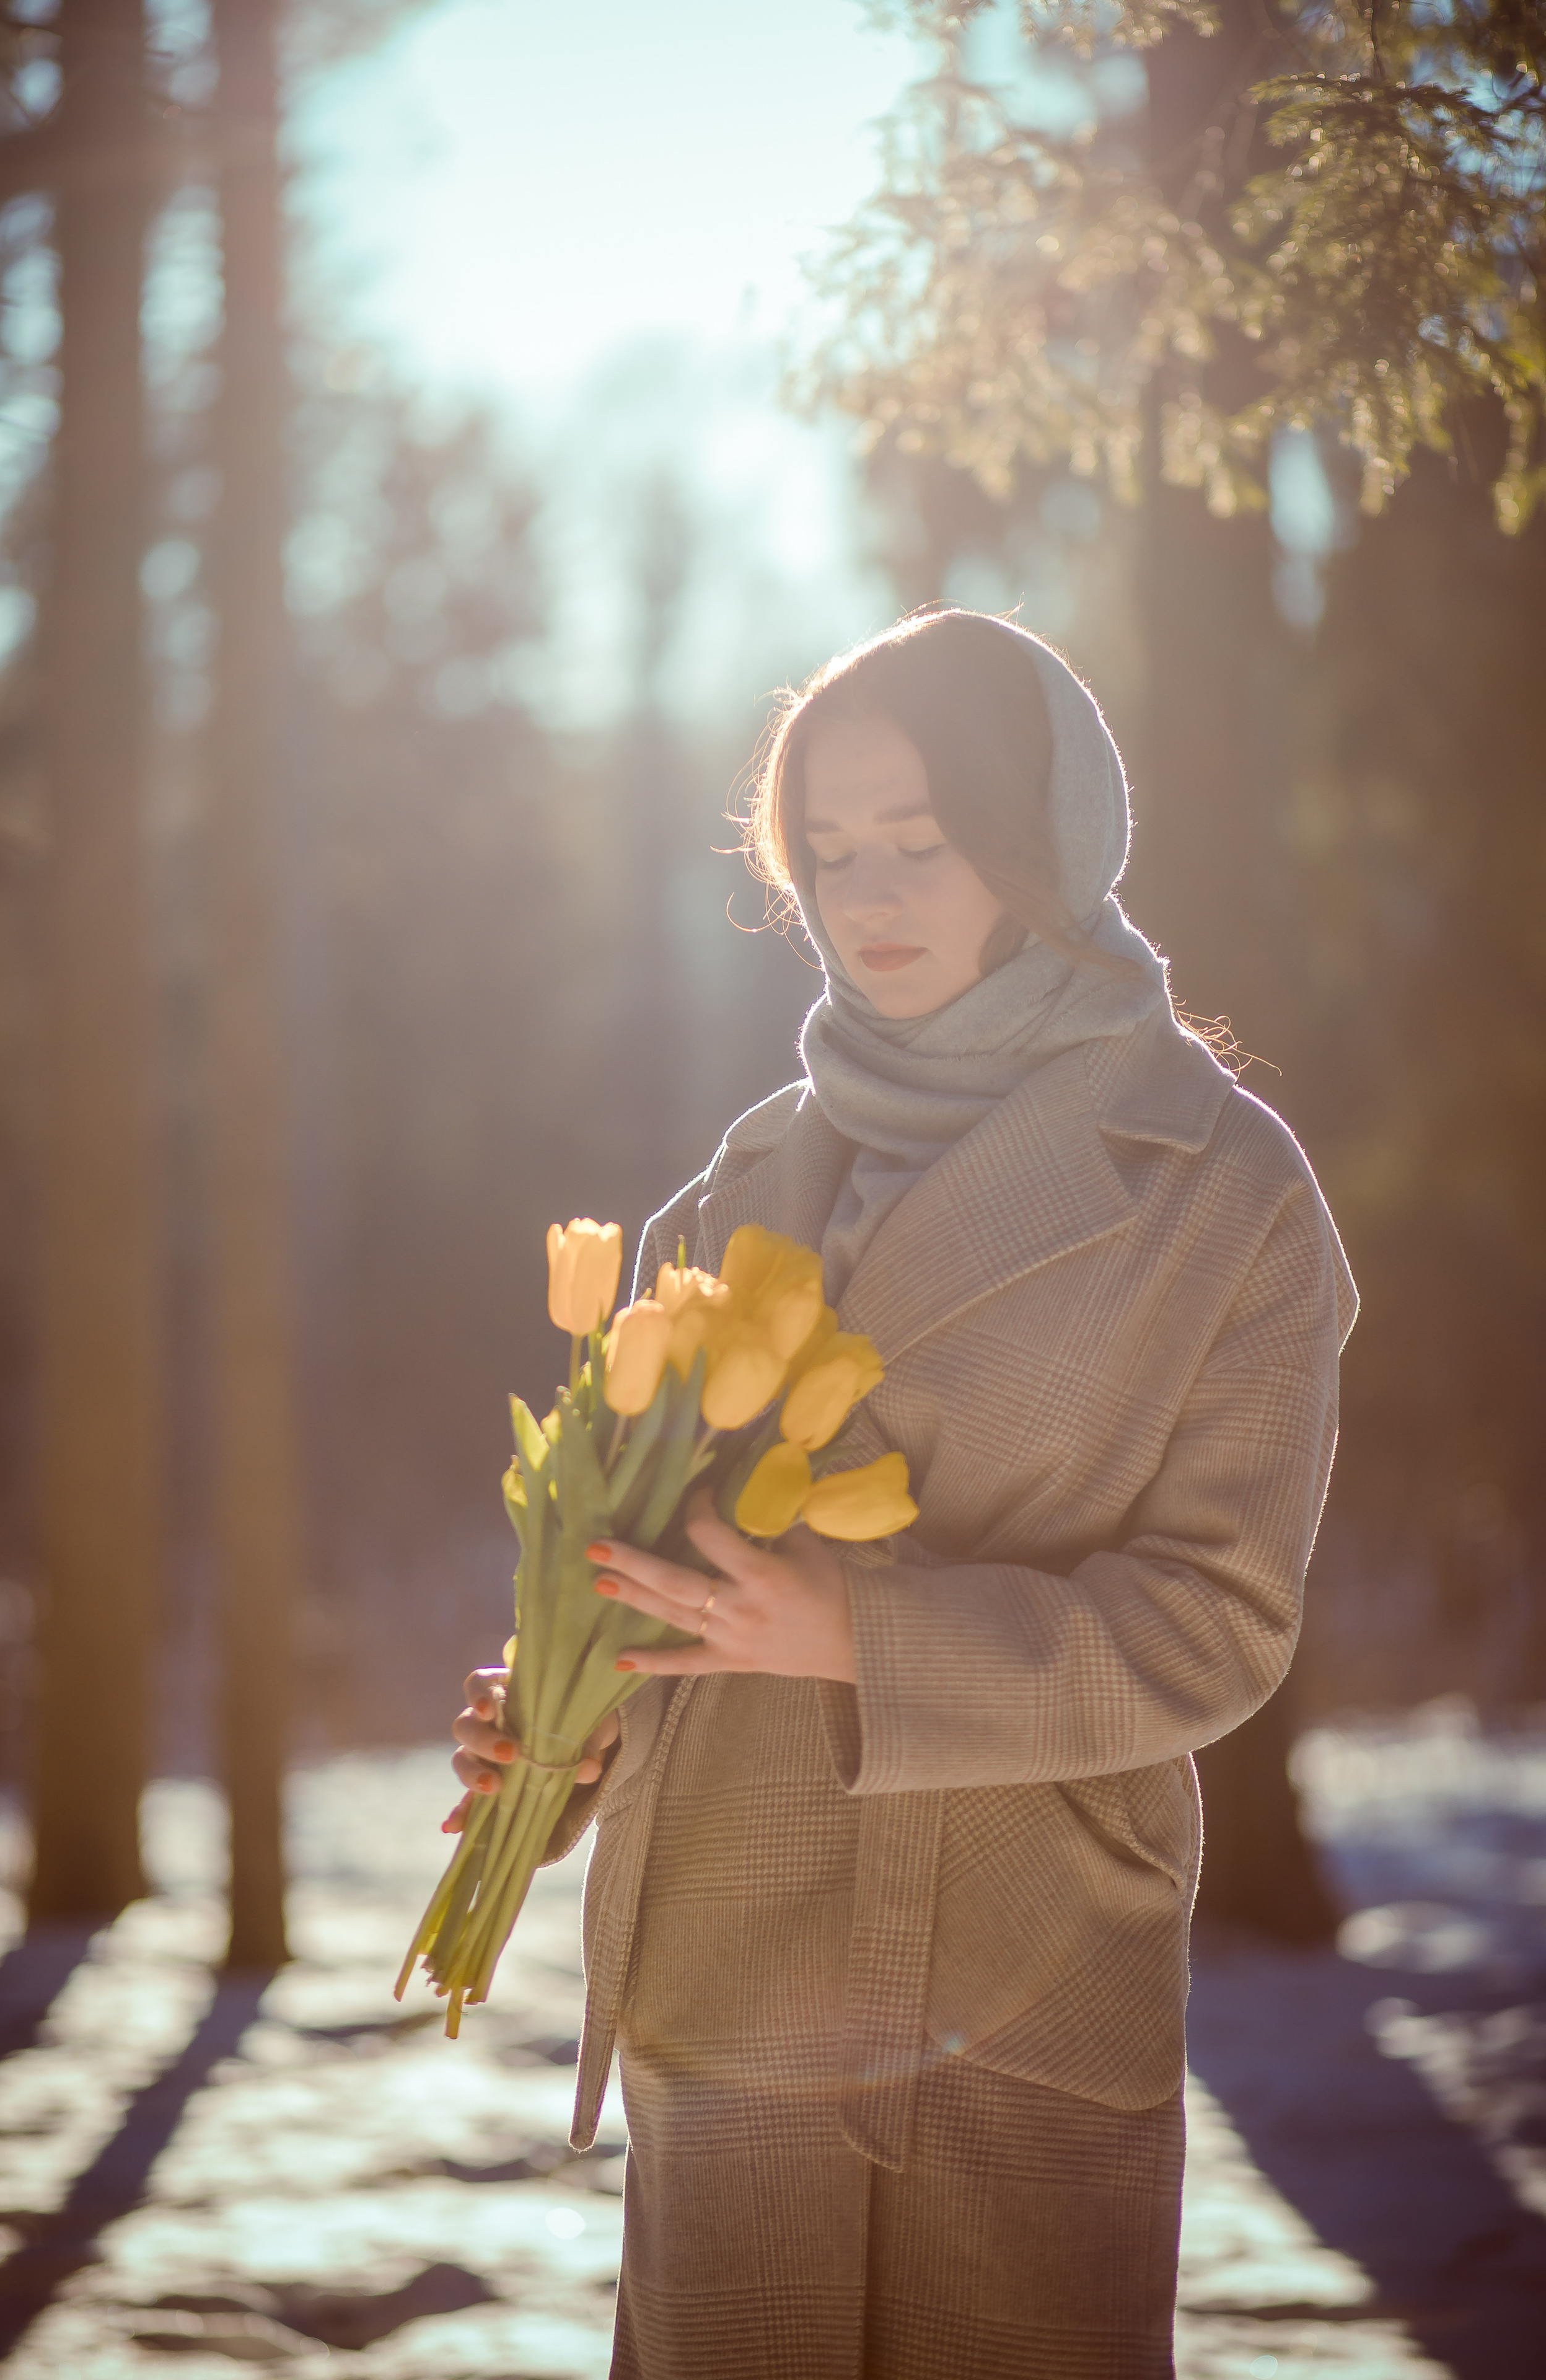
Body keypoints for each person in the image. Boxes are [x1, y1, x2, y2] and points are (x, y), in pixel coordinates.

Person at [447, 609, 1356, 2379]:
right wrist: (563, 1727)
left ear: (1048, 838)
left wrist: (860, 1632)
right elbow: (659, 1573)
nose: (869, 896)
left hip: (1023, 1952)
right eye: (832, 854)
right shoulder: (745, 1179)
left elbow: (1222, 1624)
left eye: (920, 843)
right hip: (733, 1942)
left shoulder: (1221, 1188)